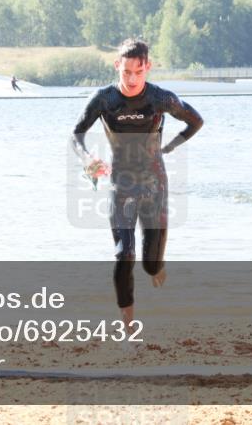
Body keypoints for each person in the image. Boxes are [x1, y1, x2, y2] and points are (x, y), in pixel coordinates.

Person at [72, 38, 203, 330]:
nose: (132, 79)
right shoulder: (104, 99)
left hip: (155, 185)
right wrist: (86, 158)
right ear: (117, 65)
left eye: (138, 72)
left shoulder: (161, 99)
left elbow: (196, 122)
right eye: (126, 71)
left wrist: (170, 147)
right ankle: (128, 328)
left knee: (150, 265)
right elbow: (76, 134)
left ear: (148, 68)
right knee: (124, 254)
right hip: (122, 185)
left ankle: (157, 267)